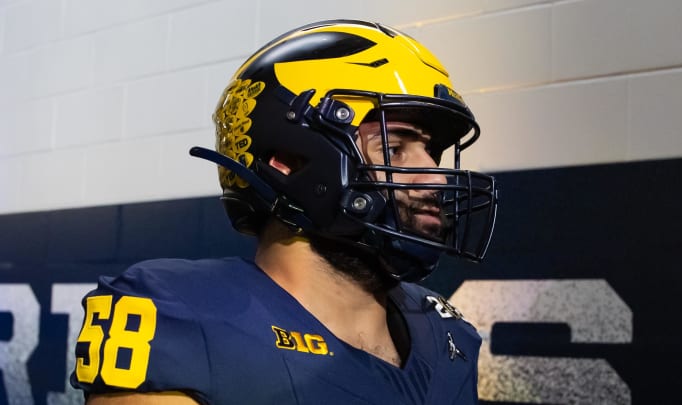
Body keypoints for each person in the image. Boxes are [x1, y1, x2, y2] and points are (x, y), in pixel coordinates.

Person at [70, 19, 497, 404]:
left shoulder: (445, 333)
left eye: (432, 153)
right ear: (291, 161)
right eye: (395, 148)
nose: (437, 178)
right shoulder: (181, 317)